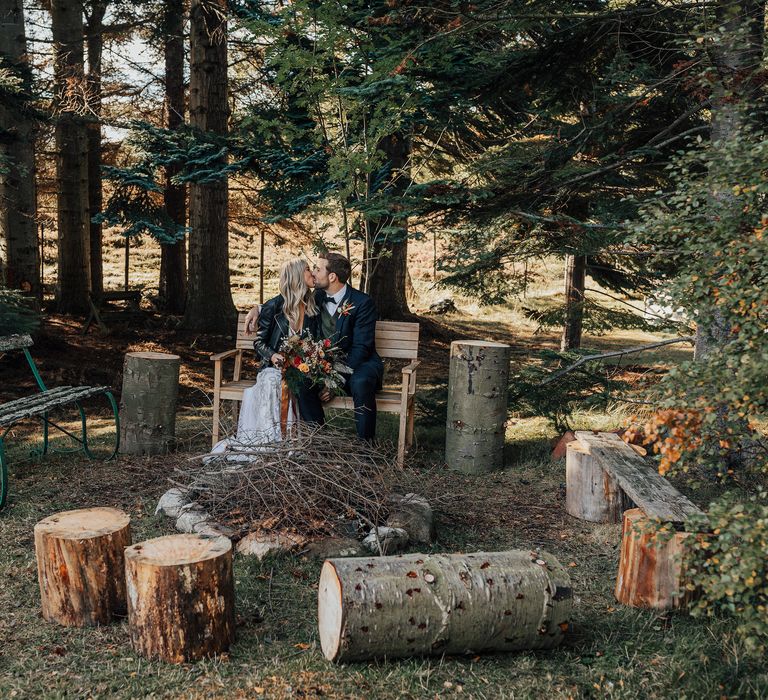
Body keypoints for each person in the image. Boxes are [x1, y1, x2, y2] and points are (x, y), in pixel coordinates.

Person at [215, 258, 318, 448]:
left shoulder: (313, 306)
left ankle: (294, 440)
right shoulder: (275, 306)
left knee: (299, 382)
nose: (312, 273)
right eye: (307, 270)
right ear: (296, 276)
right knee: (273, 380)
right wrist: (272, 355)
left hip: (301, 367)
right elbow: (259, 342)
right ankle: (271, 440)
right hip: (273, 366)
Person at [298, 252, 383, 441]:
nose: (313, 273)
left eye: (318, 269)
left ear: (332, 277)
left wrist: (334, 382)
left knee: (361, 383)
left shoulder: (362, 303)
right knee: (301, 383)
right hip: (324, 364)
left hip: (360, 365)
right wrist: (259, 308)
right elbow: (285, 299)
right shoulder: (316, 297)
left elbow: (361, 348)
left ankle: (366, 447)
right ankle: (318, 442)